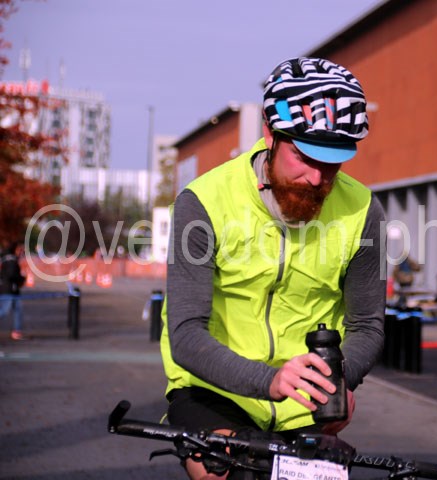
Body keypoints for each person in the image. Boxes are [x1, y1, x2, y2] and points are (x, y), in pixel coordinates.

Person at [159, 57, 386, 480]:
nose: (317, 178)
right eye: (304, 157)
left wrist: (338, 378)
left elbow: (368, 325)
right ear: (270, 133)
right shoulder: (203, 202)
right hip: (214, 390)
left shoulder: (363, 210)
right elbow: (186, 334)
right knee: (225, 473)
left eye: (332, 164)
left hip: (307, 400)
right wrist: (270, 380)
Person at [0, 241, 26, 341]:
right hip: (8, 290)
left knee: (18, 310)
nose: (22, 251)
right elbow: (11, 275)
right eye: (20, 249)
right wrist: (22, 278)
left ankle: (17, 331)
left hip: (13, 290)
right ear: (14, 249)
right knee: (4, 311)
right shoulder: (10, 260)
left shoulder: (11, 259)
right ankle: (17, 331)